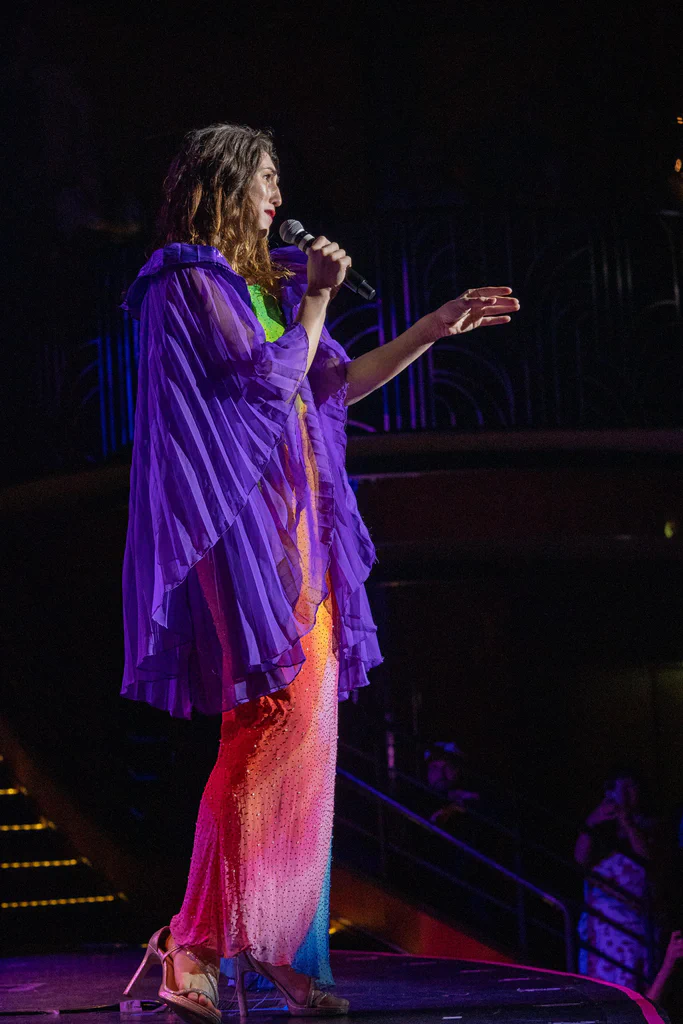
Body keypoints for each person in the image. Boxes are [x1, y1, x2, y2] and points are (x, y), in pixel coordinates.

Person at [119, 122, 520, 1021]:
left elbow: (326, 384)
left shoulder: (260, 293)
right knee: (263, 727)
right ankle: (195, 943)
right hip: (246, 539)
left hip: (302, 541)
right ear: (222, 185)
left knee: (307, 738)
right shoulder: (185, 282)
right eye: (263, 180)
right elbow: (267, 388)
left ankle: (280, 949)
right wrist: (314, 306)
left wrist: (429, 327)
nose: (277, 199)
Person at [575, 767, 655, 991]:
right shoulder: (601, 827)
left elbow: (647, 860)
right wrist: (591, 823)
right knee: (600, 986)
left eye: (632, 787)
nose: (627, 794)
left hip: (633, 923)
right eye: (622, 788)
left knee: (632, 986)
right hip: (601, 925)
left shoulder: (649, 826)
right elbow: (580, 859)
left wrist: (627, 823)